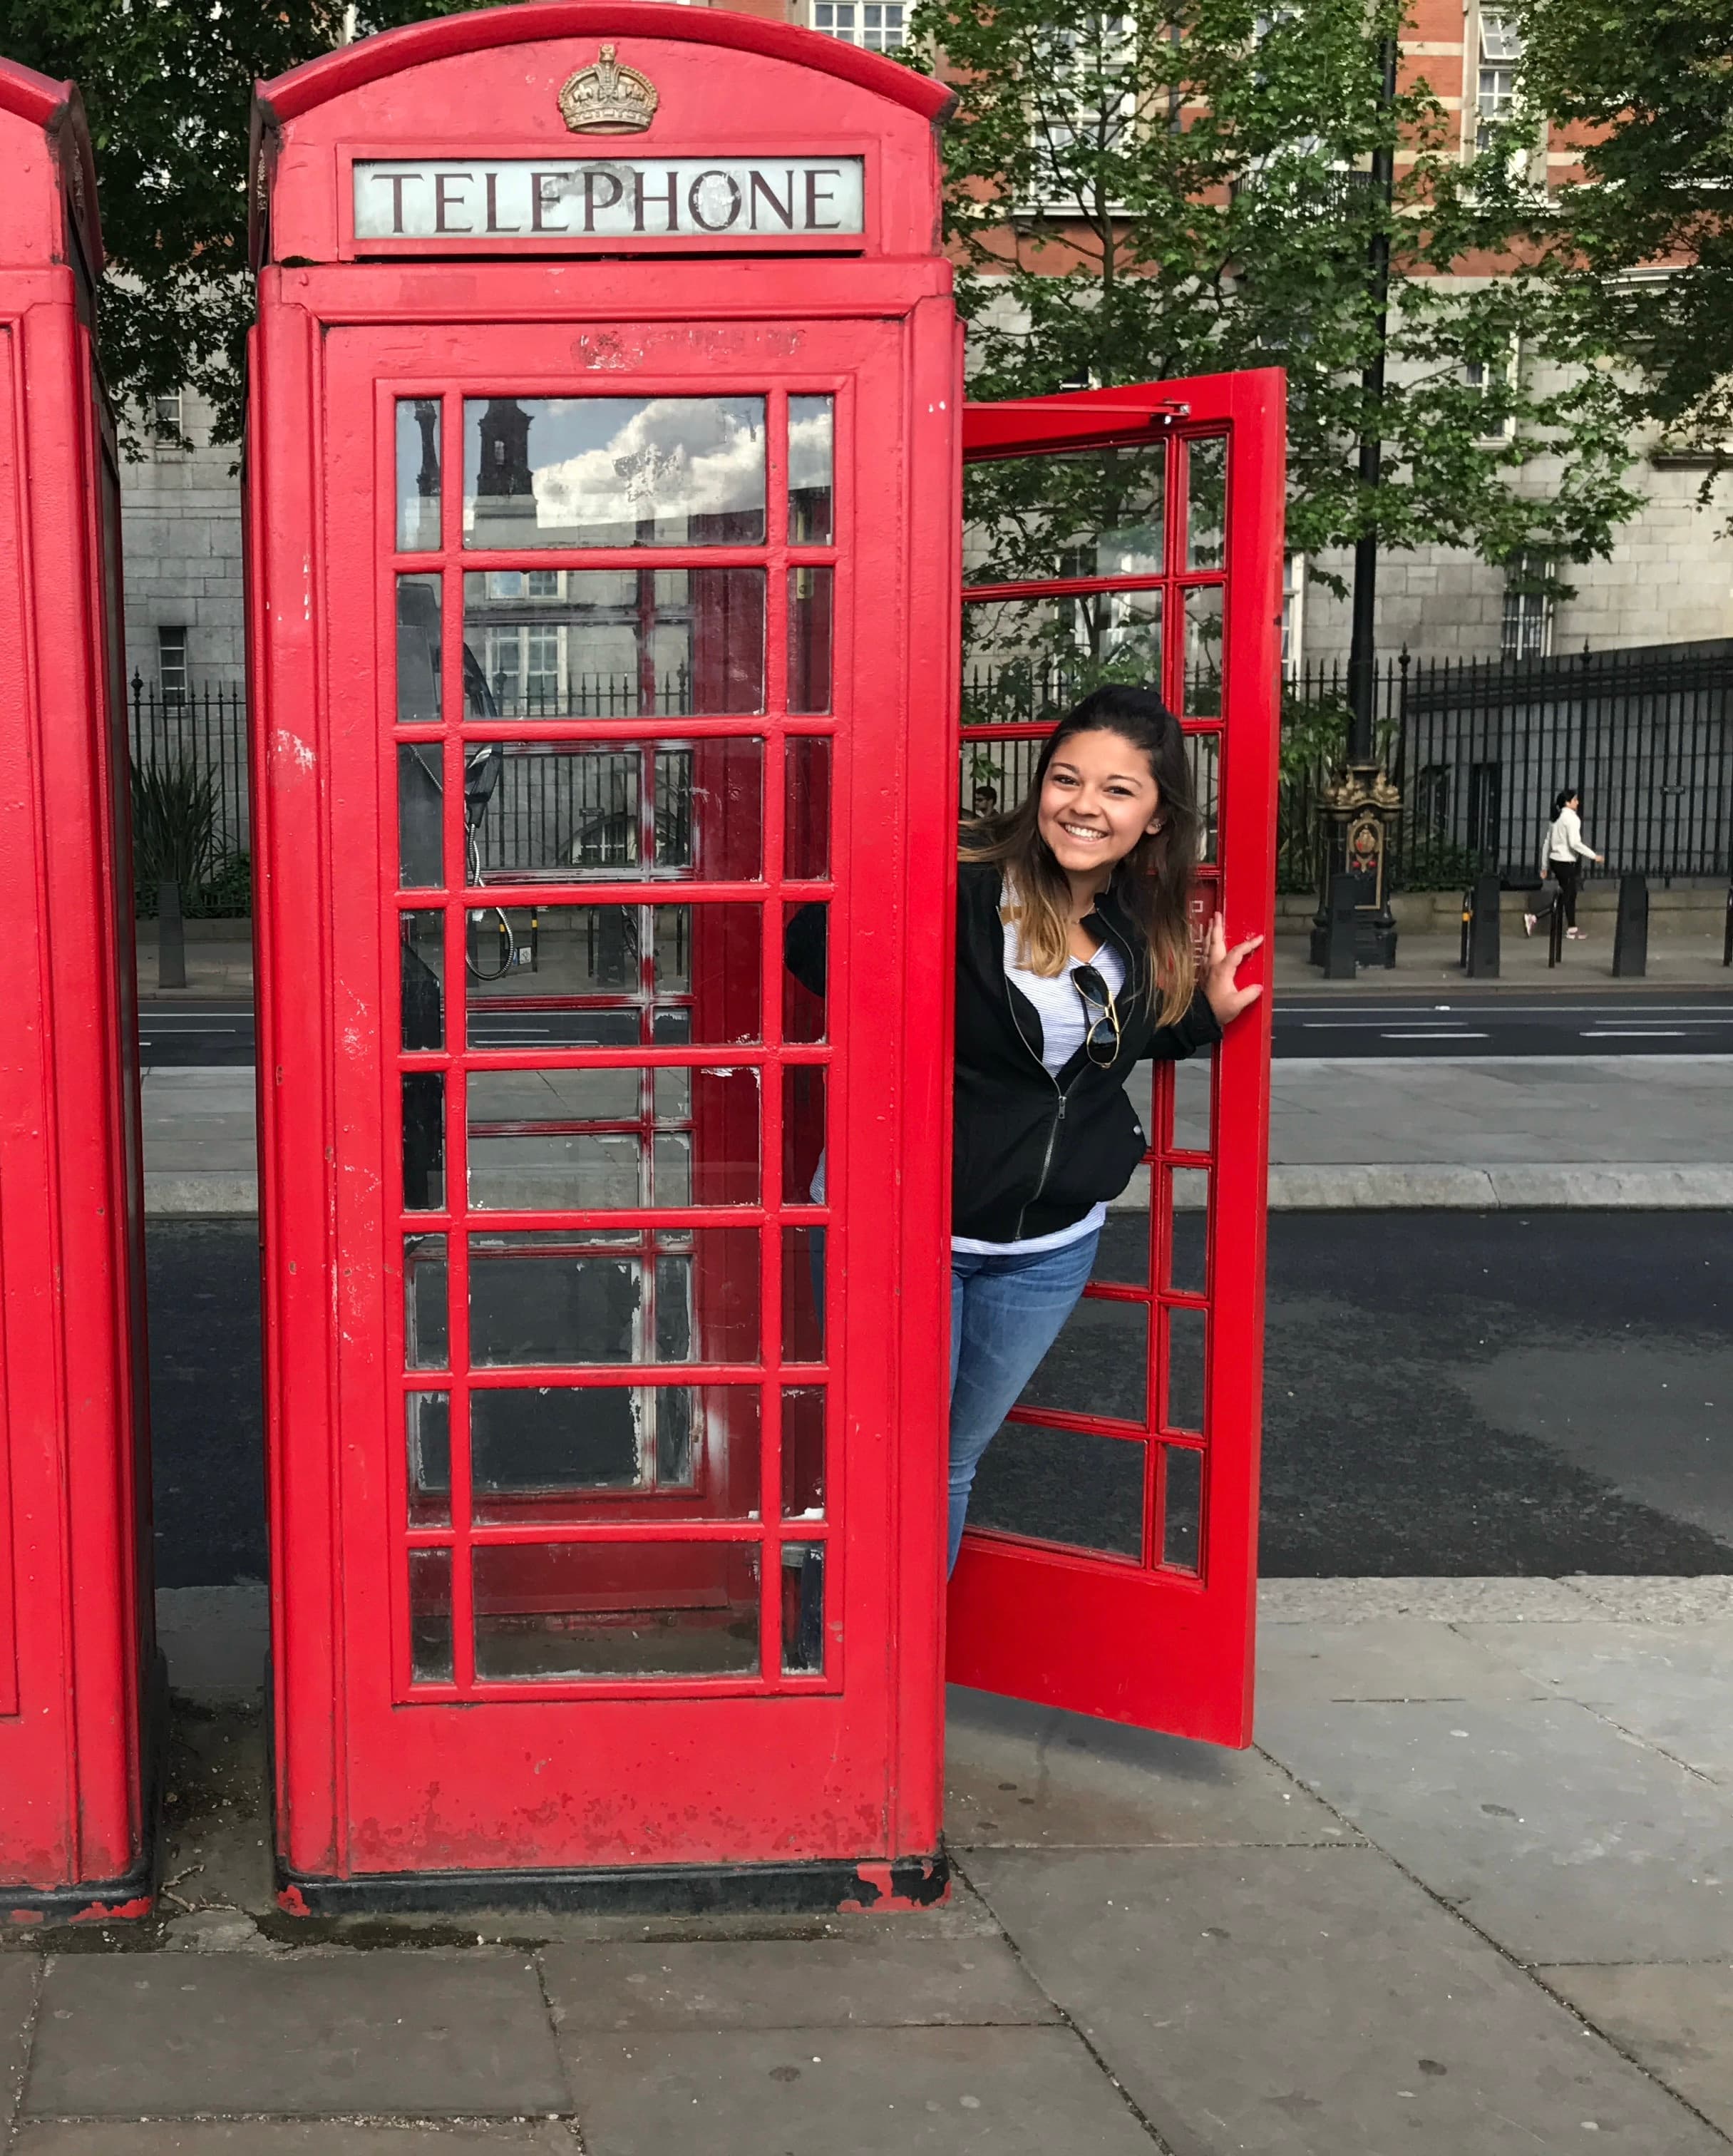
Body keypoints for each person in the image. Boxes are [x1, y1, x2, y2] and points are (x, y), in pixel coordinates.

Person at [790, 685, 1263, 1573]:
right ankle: (842, 1673)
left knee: (951, 1461)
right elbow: (813, 955)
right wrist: (877, 858)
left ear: (1158, 818)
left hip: (1046, 1249)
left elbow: (1093, 1053)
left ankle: (908, 1692)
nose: (1085, 805)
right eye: (1066, 778)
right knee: (879, 1463)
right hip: (906, 1231)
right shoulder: (966, 883)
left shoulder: (1134, 921)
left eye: (1119, 790)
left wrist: (1200, 1016)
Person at [1525, 786, 1603, 940]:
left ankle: (1537, 918)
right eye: (1575, 800)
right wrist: (1594, 856)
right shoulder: (1572, 819)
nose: (1578, 802)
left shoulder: (1556, 819)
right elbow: (1575, 843)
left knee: (1568, 893)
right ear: (1568, 803)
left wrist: (1544, 866)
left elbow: (1547, 843)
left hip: (1555, 861)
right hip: (1565, 862)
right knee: (1570, 894)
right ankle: (1564, 927)